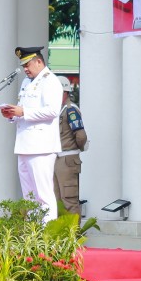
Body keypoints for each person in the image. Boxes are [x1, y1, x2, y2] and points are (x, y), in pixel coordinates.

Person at [0, 47, 62, 222]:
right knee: (29, 196)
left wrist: (23, 112)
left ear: (39, 62)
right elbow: (23, 112)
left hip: (41, 145)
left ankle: (48, 234)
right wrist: (12, 115)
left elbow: (52, 111)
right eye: (23, 65)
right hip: (24, 144)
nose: (25, 69)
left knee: (43, 194)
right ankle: (33, 233)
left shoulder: (50, 81)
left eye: (27, 64)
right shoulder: (26, 83)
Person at [54, 76, 88, 217]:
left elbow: (81, 136)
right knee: (57, 199)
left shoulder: (70, 110)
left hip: (67, 159)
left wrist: (74, 149)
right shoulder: (59, 110)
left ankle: (74, 234)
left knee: (69, 199)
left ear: (64, 92)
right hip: (57, 158)